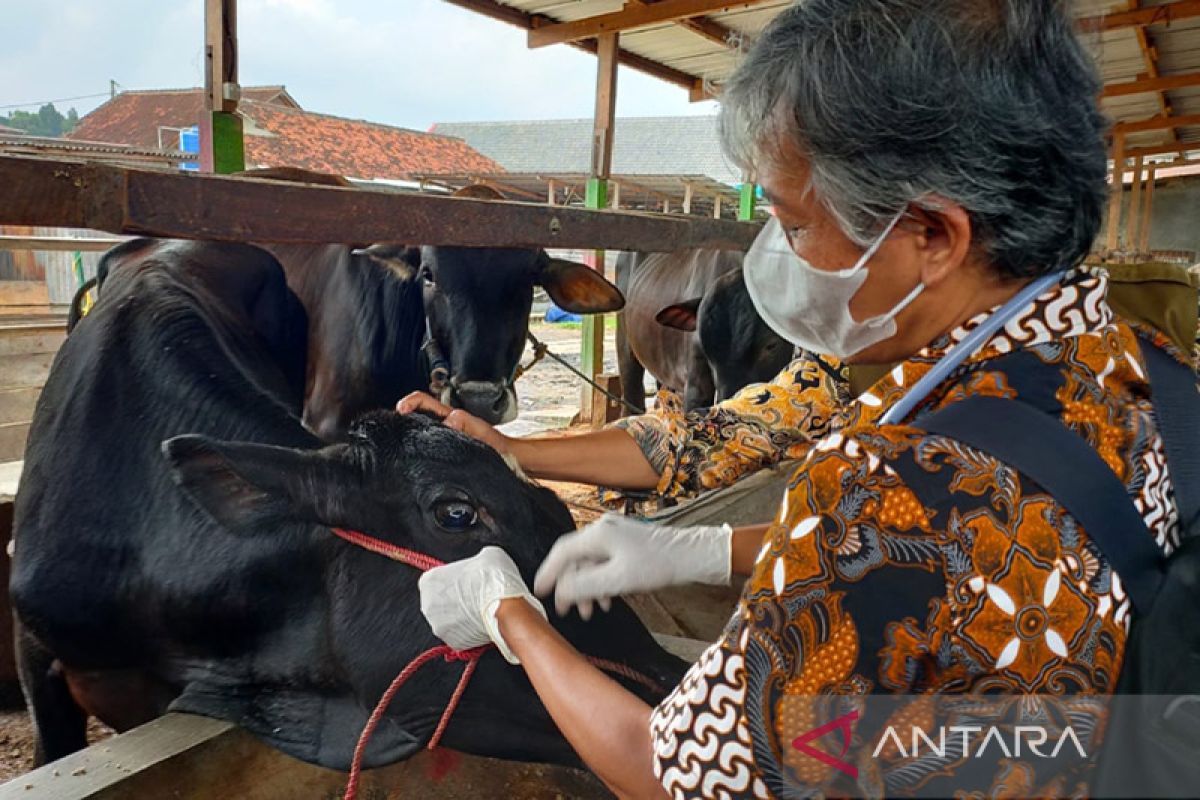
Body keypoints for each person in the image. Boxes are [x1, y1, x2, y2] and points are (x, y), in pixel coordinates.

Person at [406, 1, 1188, 796]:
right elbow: (731, 437)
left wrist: (510, 616)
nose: (779, 253)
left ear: (935, 236)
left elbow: (673, 771)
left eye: (793, 220)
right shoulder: (1133, 364)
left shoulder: (889, 480)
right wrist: (693, 542)